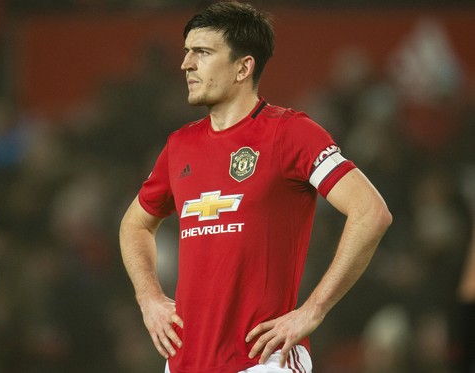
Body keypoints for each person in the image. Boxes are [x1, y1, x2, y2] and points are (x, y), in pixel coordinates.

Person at [119, 2, 392, 372]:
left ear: (243, 67)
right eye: (186, 52)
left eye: (202, 52)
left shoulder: (291, 133)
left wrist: (312, 311)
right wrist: (149, 297)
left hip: (262, 361)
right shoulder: (179, 145)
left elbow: (371, 212)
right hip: (184, 362)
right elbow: (135, 223)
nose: (186, 64)